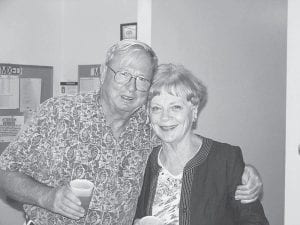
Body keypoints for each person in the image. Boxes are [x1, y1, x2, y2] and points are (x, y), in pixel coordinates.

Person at [0, 40, 262, 225]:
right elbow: (5, 172)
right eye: (123, 74)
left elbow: (188, 146)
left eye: (142, 79)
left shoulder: (147, 127)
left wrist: (243, 171)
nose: (131, 87)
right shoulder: (58, 113)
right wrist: (46, 197)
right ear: (104, 73)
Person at [134, 64, 269, 225]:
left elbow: (255, 221)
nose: (165, 118)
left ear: (194, 111)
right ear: (148, 114)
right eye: (156, 108)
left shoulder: (225, 159)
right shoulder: (142, 161)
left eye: (175, 107)